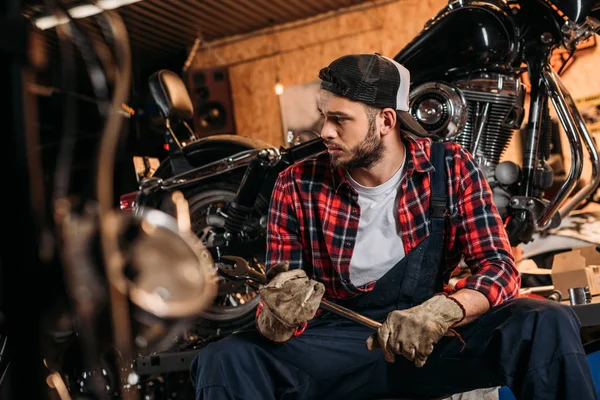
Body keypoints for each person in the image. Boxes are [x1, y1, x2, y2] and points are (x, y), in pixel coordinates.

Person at [190, 53, 597, 400]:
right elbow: (278, 301)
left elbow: (498, 265)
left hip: (431, 340)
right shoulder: (296, 183)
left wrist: (446, 310)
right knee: (224, 360)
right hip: (342, 346)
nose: (325, 131)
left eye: (339, 119)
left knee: (544, 321)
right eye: (323, 117)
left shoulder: (449, 167)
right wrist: (277, 314)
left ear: (385, 120)